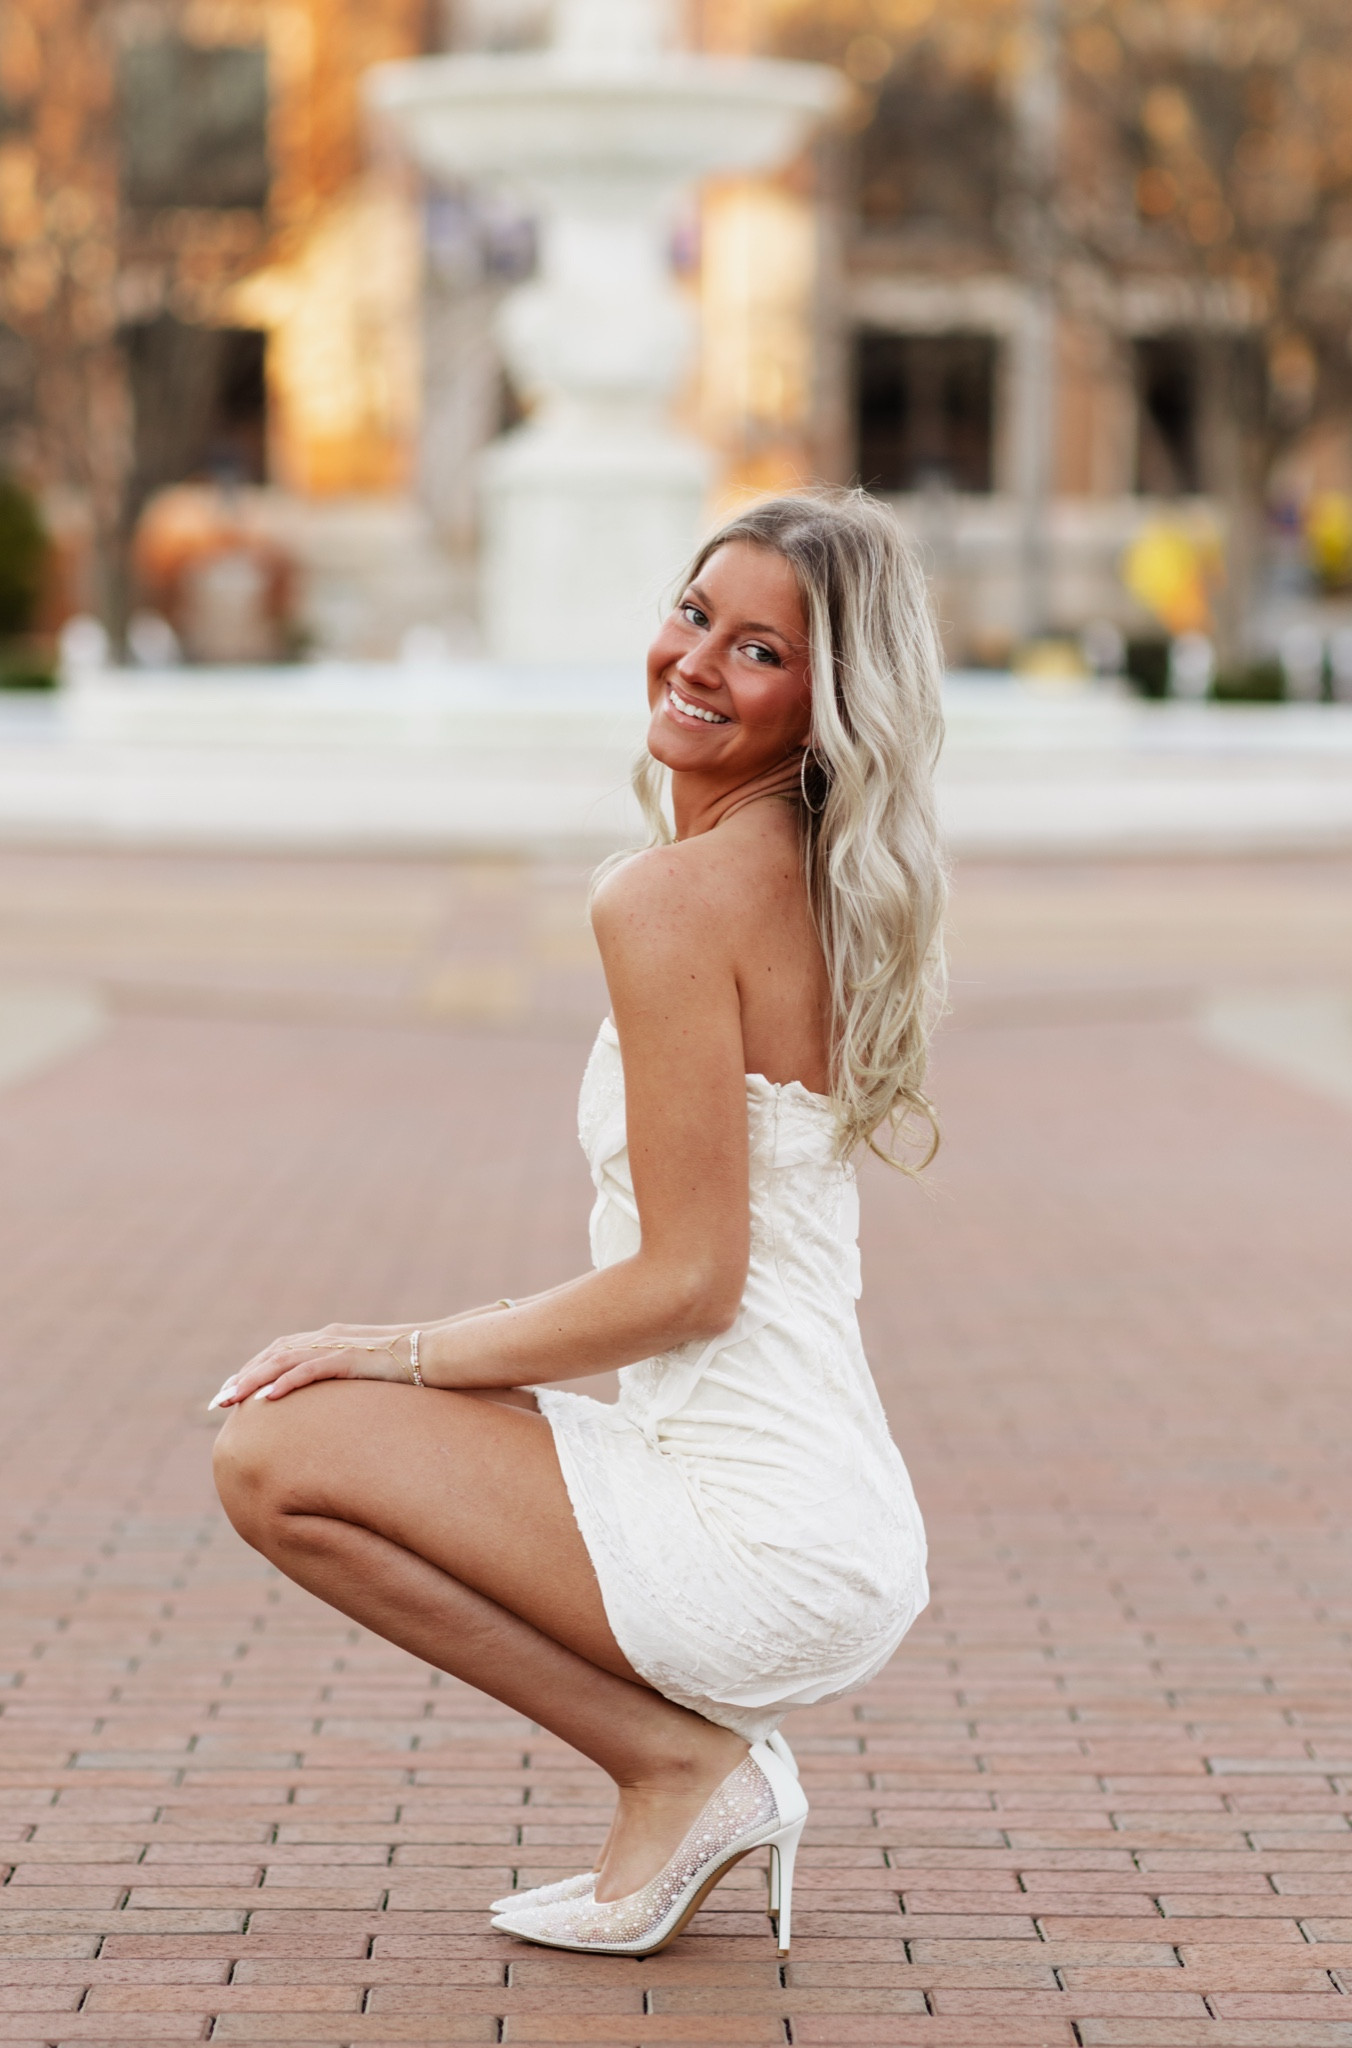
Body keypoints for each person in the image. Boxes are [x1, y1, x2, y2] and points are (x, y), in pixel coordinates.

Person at [209, 488, 948, 1958]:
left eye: (759, 652)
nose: (697, 664)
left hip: (761, 1524)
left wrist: (399, 1347)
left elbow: (687, 1285)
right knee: (307, 1425)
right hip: (824, 1503)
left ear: (827, 702)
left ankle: (682, 1767)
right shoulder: (815, 879)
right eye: (693, 618)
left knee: (273, 1449)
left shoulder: (672, 899)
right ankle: (689, 1770)